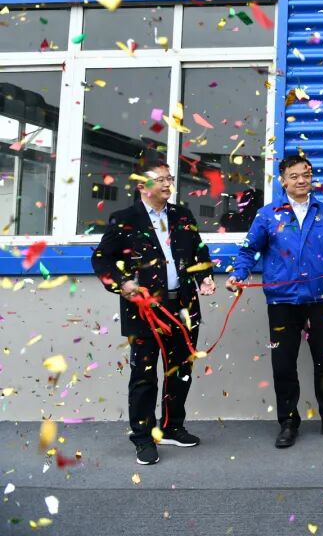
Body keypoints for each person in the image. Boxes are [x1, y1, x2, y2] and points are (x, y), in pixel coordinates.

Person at [226, 155, 323, 448]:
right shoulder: (267, 215)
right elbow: (248, 251)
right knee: (284, 365)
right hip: (282, 302)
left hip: (319, 299)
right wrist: (238, 274)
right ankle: (288, 422)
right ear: (282, 180)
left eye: (306, 175)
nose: (301, 180)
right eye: (294, 176)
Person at [92, 161, 216, 466]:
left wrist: (205, 277)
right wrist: (122, 283)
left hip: (183, 306)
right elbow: (101, 259)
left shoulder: (182, 215)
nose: (166, 183)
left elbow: (199, 251)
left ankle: (172, 427)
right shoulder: (124, 219)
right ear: (141, 186)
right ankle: (143, 438)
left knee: (180, 371)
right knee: (144, 377)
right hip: (145, 310)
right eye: (160, 179)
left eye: (168, 178)